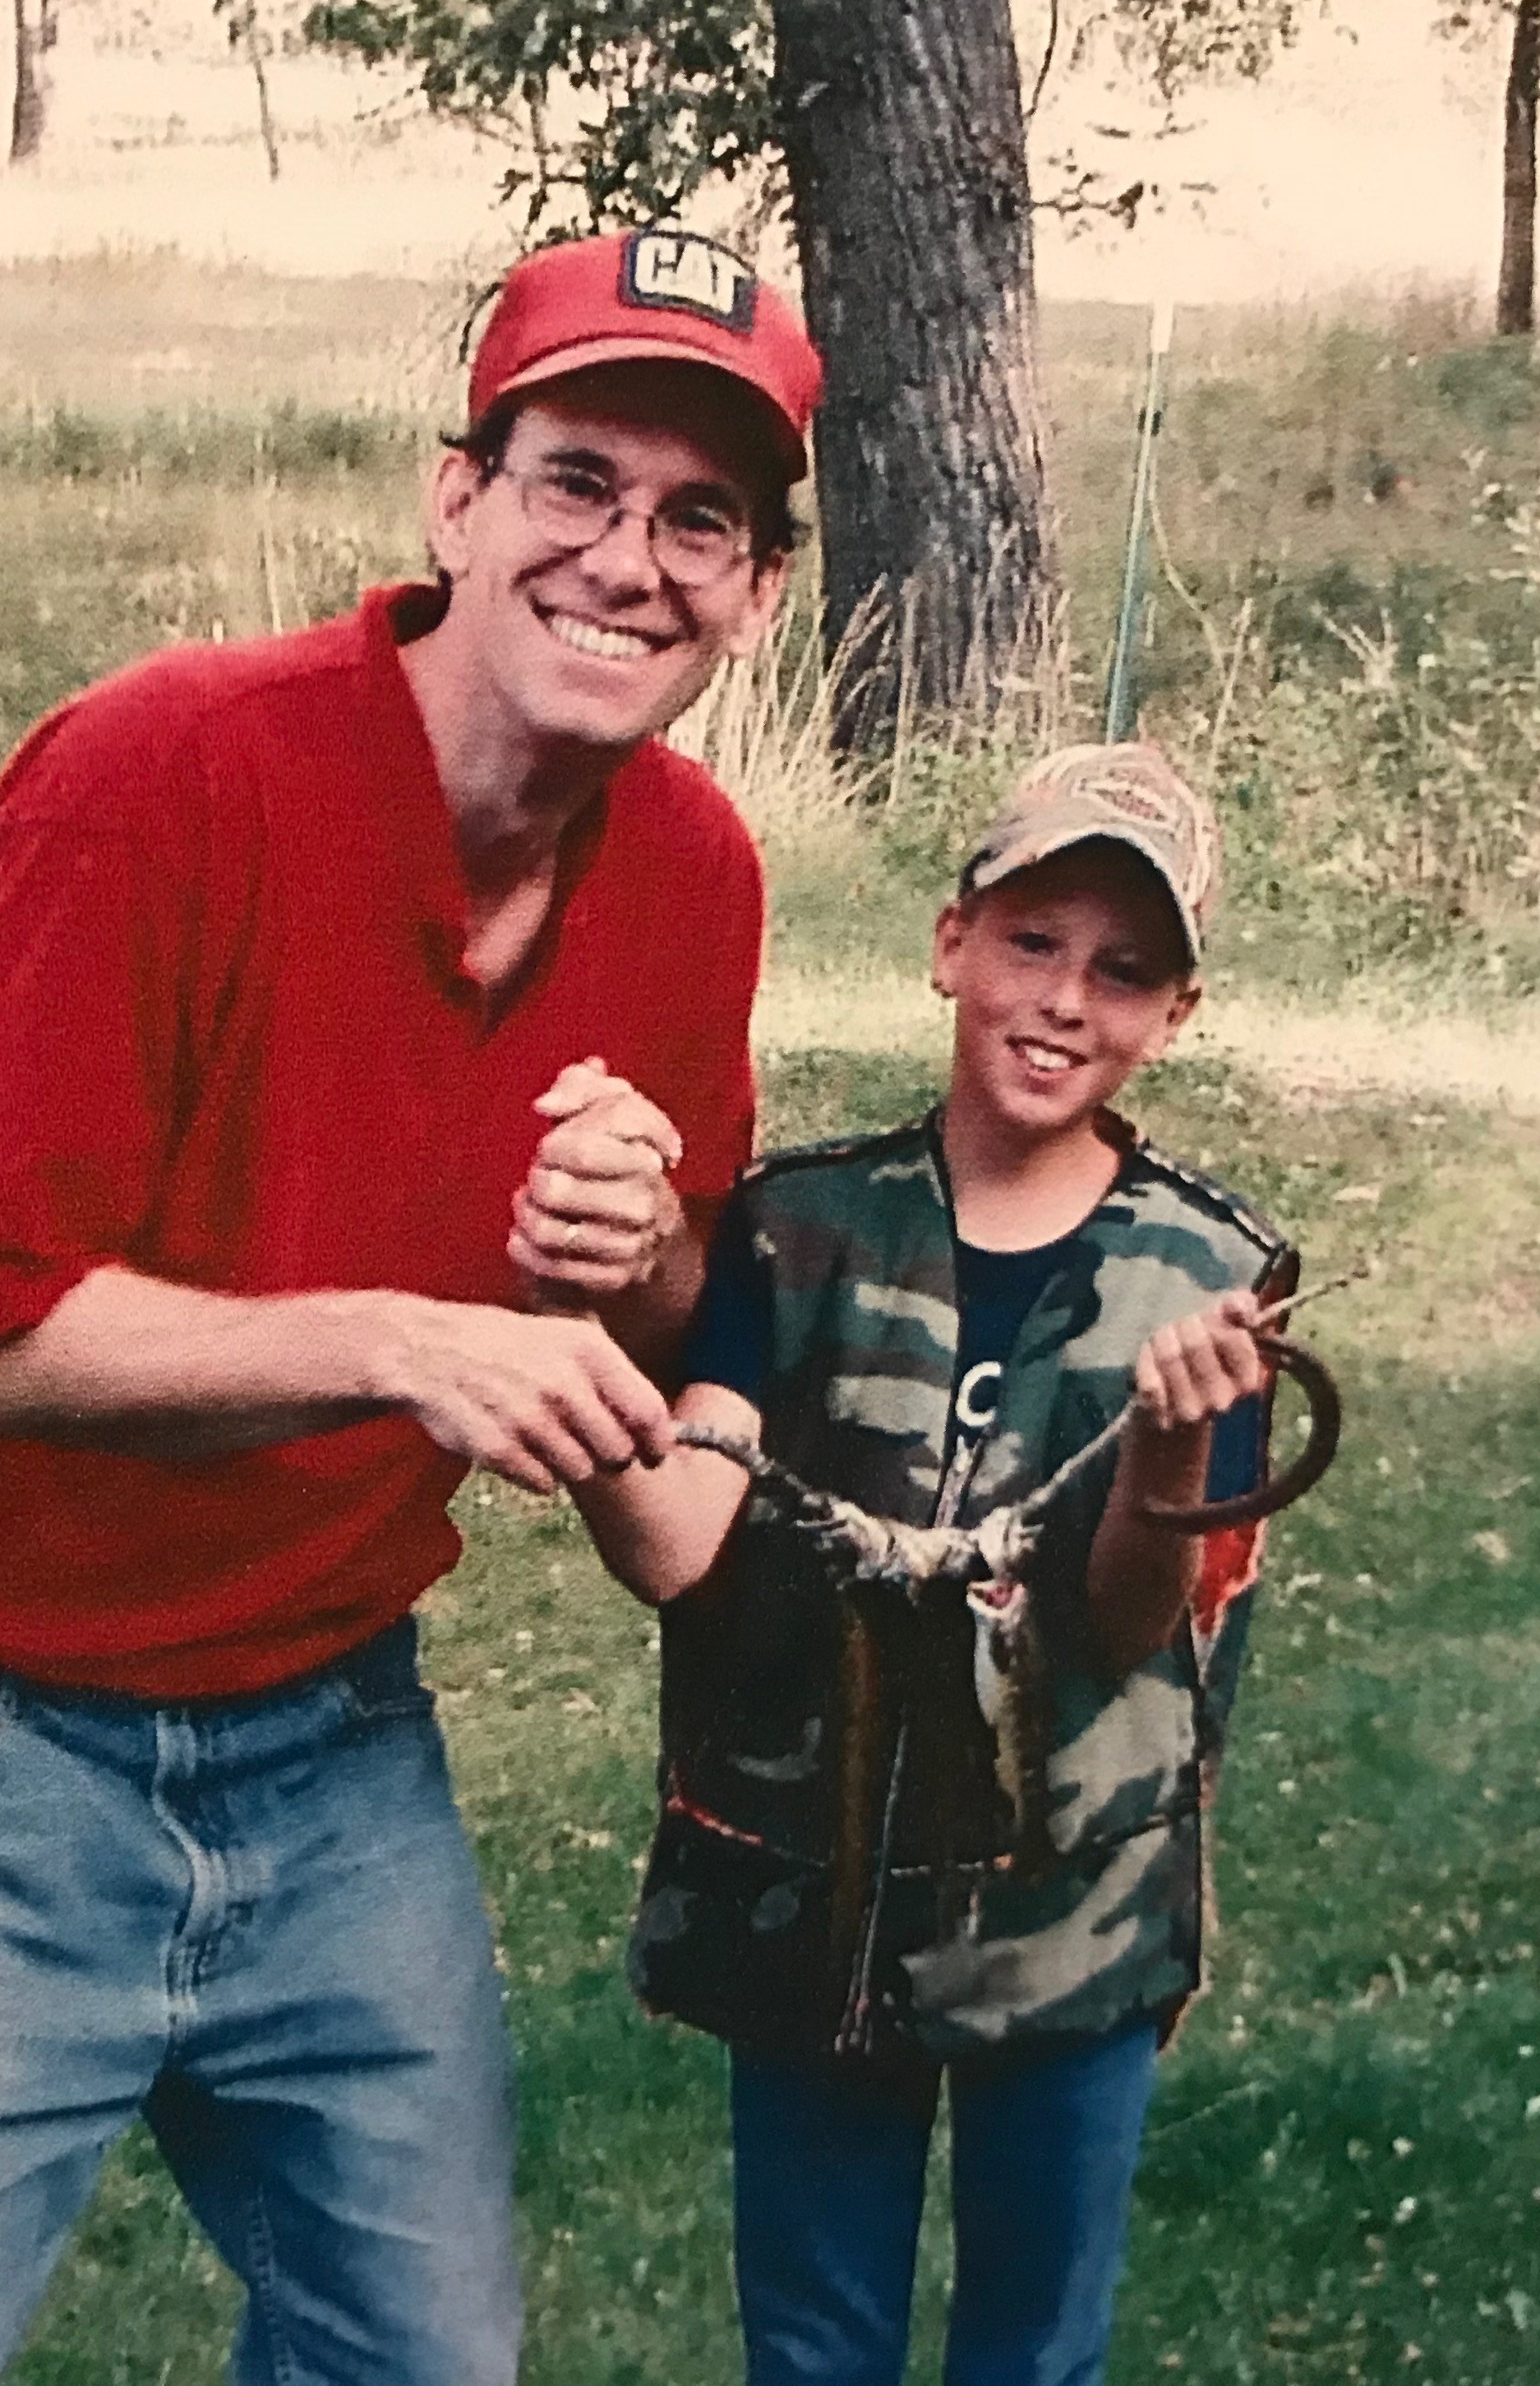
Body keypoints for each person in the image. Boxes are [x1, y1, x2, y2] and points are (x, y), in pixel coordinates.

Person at [0, 228, 825, 2386]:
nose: (629, 559)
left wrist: (647, 1245)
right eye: (577, 481)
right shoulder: (162, 771)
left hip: (325, 1736)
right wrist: (402, 1338)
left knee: (424, 2361)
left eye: (702, 520)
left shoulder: (690, 874)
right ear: (455, 500)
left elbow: (678, 1336)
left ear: (758, 589)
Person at [574, 743, 1298, 2386]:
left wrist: (1175, 1442)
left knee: (1031, 2356)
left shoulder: (1216, 1277)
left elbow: (1130, 1623)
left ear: (1172, 1017)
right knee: (814, 2347)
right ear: (950, 943)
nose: (1064, 1000)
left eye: (1123, 971)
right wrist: (569, 1355)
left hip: (1072, 1916)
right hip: (810, 1892)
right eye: (1033, 941)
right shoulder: (794, 1228)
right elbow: (682, 1537)